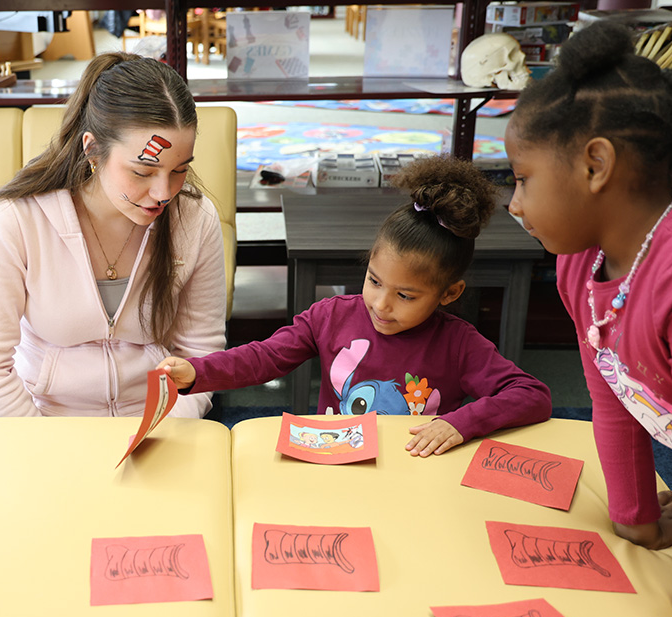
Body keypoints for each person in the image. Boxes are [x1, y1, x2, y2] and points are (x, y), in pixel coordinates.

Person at [160, 155, 552, 456]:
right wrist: (195, 372)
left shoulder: (460, 344)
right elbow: (264, 358)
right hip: (338, 464)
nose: (381, 305)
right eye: (374, 281)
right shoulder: (331, 316)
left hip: (413, 471)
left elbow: (532, 395)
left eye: (405, 296)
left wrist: (460, 424)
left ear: (449, 294)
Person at [503, 20, 672, 617]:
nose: (514, 203)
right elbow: (611, 390)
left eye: (523, 177)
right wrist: (634, 517)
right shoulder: (580, 264)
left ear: (595, 165)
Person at [0, 52, 226, 418]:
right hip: (44, 423)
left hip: (157, 423)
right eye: (143, 172)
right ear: (93, 149)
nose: (164, 192)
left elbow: (202, 352)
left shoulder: (194, 219)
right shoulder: (16, 221)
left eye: (179, 170)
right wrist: (45, 445)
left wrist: (168, 432)